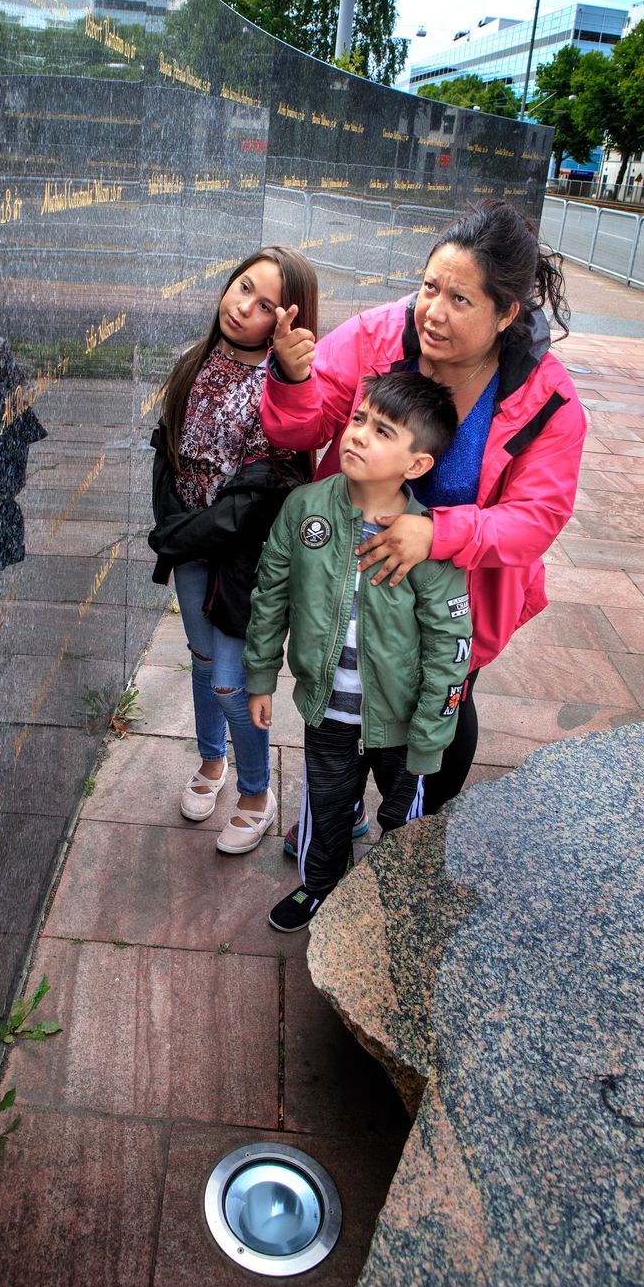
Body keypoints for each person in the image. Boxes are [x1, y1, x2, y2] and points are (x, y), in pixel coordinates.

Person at [260, 199, 587, 837]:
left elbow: (536, 518)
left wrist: (440, 534)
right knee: (346, 699)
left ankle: (416, 842)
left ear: (507, 314)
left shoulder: (546, 400)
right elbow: (299, 427)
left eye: (461, 300)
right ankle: (338, 811)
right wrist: (293, 379)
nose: (432, 311)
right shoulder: (380, 338)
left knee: (440, 704)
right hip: (351, 575)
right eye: (429, 286)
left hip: (457, 589)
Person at [245, 372, 472, 931]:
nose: (358, 436)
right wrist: (260, 675)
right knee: (326, 809)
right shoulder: (305, 509)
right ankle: (319, 886)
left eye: (383, 431)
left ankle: (395, 898)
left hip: (401, 722)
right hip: (329, 711)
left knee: (402, 821)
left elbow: (450, 645)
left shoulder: (424, 537)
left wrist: (430, 734)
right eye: (358, 420)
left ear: (416, 464)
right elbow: (270, 594)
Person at [148, 247, 318, 853]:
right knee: (199, 661)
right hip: (191, 548)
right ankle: (211, 761)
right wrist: (169, 522)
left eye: (265, 304)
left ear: (286, 321)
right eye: (243, 287)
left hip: (246, 563)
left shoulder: (283, 392)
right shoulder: (193, 362)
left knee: (230, 682)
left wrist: (177, 535)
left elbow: (259, 499)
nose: (244, 307)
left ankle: (255, 792)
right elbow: (167, 449)